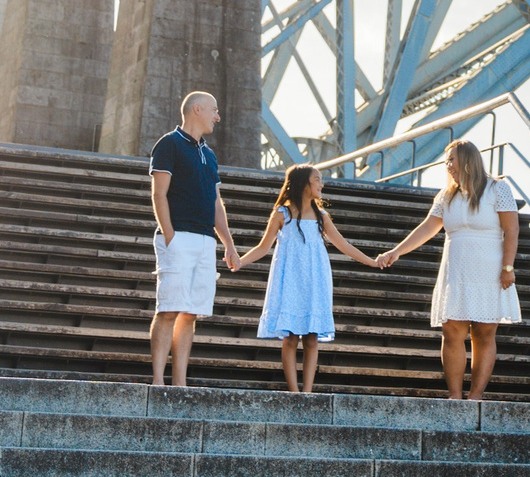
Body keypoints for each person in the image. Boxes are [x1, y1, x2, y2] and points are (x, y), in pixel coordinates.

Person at [376, 138, 521, 400]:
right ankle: (455, 395)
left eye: (451, 159)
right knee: (452, 330)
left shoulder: (498, 189)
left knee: (484, 332)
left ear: (467, 160)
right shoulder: (446, 195)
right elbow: (427, 228)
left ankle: (476, 395)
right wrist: (396, 251)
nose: (448, 165)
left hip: (489, 268)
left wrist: (508, 267)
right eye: (447, 161)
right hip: (457, 269)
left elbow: (511, 230)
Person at [237, 163, 374, 393]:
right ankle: (294, 391)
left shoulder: (321, 216)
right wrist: (240, 261)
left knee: (311, 338)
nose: (322, 184)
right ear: (304, 184)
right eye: (317, 179)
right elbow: (263, 247)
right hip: (290, 279)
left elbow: (343, 245)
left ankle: (308, 392)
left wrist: (371, 261)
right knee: (290, 338)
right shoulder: (282, 214)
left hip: (315, 279)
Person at [147, 91, 238, 387]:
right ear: (197, 109)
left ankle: (180, 384)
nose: (218, 116)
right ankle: (159, 381)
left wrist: (228, 243)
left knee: (190, 314)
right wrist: (170, 235)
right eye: (214, 110)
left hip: (204, 241)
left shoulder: (209, 154)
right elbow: (158, 193)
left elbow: (216, 203)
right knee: (169, 309)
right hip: (178, 238)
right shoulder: (169, 144)